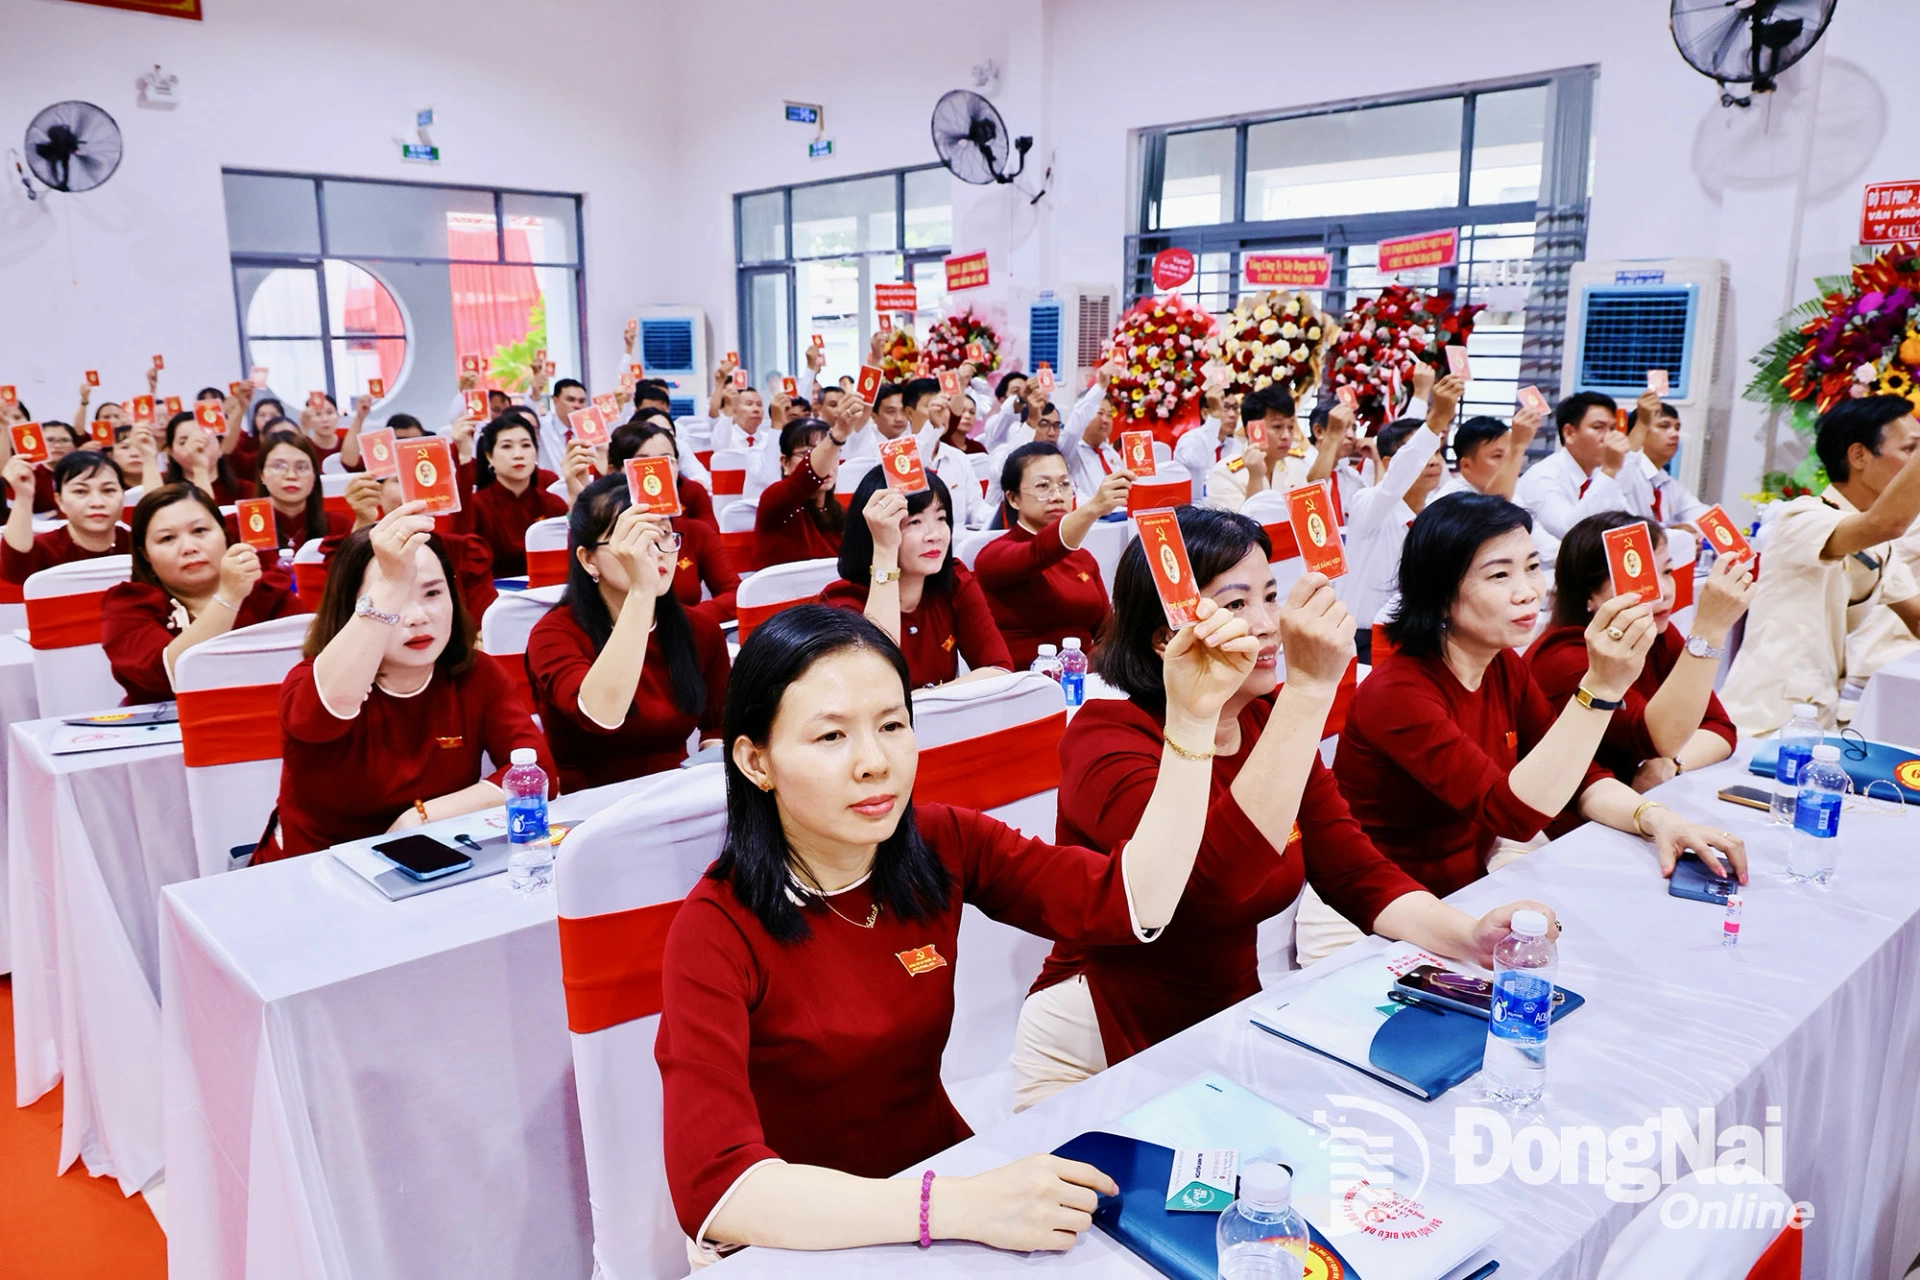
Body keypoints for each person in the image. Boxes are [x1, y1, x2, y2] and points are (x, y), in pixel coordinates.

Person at [655, 600, 1260, 1263]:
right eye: (831, 737)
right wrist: (956, 1204)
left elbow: (1127, 902)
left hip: (942, 1188)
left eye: (892, 725)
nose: (874, 762)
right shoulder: (715, 929)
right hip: (803, 1240)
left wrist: (1194, 722)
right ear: (756, 761)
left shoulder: (940, 843)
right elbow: (718, 1189)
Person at [1015, 507, 1558, 1105]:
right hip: (1098, 1031)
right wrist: (1308, 691)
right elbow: (1210, 888)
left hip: (1225, 1014)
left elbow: (1357, 872)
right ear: (1166, 637)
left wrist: (1470, 938)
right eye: (1234, 605)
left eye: (1271, 597)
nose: (1270, 624)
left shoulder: (1263, 720)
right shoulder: (1108, 738)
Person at [1330, 494, 1746, 952]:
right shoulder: (1399, 694)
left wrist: (1658, 818)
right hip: (1380, 915)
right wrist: (1599, 689)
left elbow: (1582, 778)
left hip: (1464, 891)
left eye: (1531, 567)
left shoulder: (1503, 665)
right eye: (1499, 575)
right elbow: (1511, 813)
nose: (1528, 590)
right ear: (1441, 593)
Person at [256, 509, 551, 861]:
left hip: (433, 862)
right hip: (317, 872)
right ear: (354, 610)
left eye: (432, 593)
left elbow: (537, 772)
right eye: (395, 598)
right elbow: (323, 712)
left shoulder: (476, 674)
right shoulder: (310, 681)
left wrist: (422, 817)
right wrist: (389, 585)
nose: (417, 617)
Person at [1722, 395, 1920, 733]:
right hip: (1762, 717)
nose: (1913, 459)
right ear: (1858, 455)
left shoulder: (1878, 544)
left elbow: (1916, 616)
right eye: (1910, 449)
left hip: (1818, 719)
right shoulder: (1801, 517)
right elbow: (1886, 522)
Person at [1528, 513, 1748, 815]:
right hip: (1571, 825)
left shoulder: (1656, 632)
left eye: (1668, 571)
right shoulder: (1565, 657)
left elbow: (1720, 729)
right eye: (1641, 578)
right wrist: (1710, 628)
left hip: (1638, 811)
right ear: (1589, 594)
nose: (1664, 591)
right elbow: (1659, 737)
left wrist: (1673, 763)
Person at [526, 476, 729, 791]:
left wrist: (707, 776)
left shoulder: (699, 628)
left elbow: (718, 724)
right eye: (634, 539)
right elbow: (600, 716)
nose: (655, 552)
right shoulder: (553, 634)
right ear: (588, 560)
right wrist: (641, 590)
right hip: (587, 811)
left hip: (676, 797)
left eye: (663, 533)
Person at [101, 485, 301, 704]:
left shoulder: (266, 592)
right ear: (145, 554)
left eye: (199, 531)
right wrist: (228, 597)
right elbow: (166, 675)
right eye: (167, 538)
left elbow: (310, 658)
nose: (189, 547)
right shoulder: (128, 605)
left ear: (224, 535)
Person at [820, 469, 1011, 688]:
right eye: (915, 522)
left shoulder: (954, 580)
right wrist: (885, 550)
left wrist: (925, 698)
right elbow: (875, 685)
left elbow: (1000, 671)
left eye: (941, 518)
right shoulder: (842, 603)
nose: (935, 535)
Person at [973, 443, 1124, 669]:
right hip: (1023, 685)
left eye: (1064, 484)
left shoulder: (1083, 558)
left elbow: (1108, 633)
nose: (1057, 495)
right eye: (1043, 486)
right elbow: (1039, 552)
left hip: (1086, 680)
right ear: (1013, 499)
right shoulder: (994, 556)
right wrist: (1093, 508)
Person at [1336, 379, 1456, 660]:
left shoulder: (1434, 516)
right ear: (1390, 464)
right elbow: (1395, 482)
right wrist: (1436, 419)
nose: (1433, 460)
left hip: (1418, 636)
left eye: (1437, 452)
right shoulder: (1368, 504)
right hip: (1361, 640)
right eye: (1425, 453)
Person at [1512, 391, 1632, 569]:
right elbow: (1571, 532)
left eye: (1612, 429)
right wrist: (1609, 470)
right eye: (1598, 427)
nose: (1608, 437)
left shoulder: (1599, 475)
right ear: (1569, 432)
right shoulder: (1544, 476)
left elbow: (1626, 522)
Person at [2, 450, 129, 583]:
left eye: (108, 490)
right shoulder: (46, 548)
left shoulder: (138, 544)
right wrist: (24, 496)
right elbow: (15, 572)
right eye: (81, 491)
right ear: (60, 501)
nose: (97, 503)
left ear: (123, 497)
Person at [468, 414, 569, 579]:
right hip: (496, 598)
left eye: (526, 445)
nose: (518, 454)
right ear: (489, 456)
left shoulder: (553, 504)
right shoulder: (476, 506)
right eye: (507, 446)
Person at [755, 417, 847, 568]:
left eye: (832, 453)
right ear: (785, 463)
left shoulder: (840, 512)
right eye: (808, 454)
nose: (826, 462)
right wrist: (837, 435)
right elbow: (804, 479)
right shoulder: (773, 502)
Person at [1205, 387, 1309, 511]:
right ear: (1252, 430)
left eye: (1291, 427)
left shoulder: (1295, 464)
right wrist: (1255, 477)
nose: (1286, 436)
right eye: (1277, 426)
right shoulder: (1224, 474)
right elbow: (1241, 528)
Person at [243, 433, 349, 555]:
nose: (291, 476)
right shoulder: (238, 526)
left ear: (314, 475)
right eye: (279, 466)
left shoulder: (338, 526)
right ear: (262, 475)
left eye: (302, 467)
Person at [1619, 399, 1711, 530]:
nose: (1675, 434)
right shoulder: (1625, 473)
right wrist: (1670, 535)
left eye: (1677, 428)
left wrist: (1683, 530)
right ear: (1640, 432)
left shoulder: (1667, 483)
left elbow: (1708, 517)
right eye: (1664, 426)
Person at [1436, 406, 1540, 501]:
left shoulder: (1513, 490)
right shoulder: (1452, 498)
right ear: (1466, 465)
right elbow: (1495, 510)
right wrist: (1517, 447)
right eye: (1497, 456)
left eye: (1508, 455)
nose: (1508, 463)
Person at [153, 411, 247, 505]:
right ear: (171, 451)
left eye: (203, 440)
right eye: (184, 442)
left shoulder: (247, 490)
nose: (196, 448)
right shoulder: (160, 486)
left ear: (220, 445)